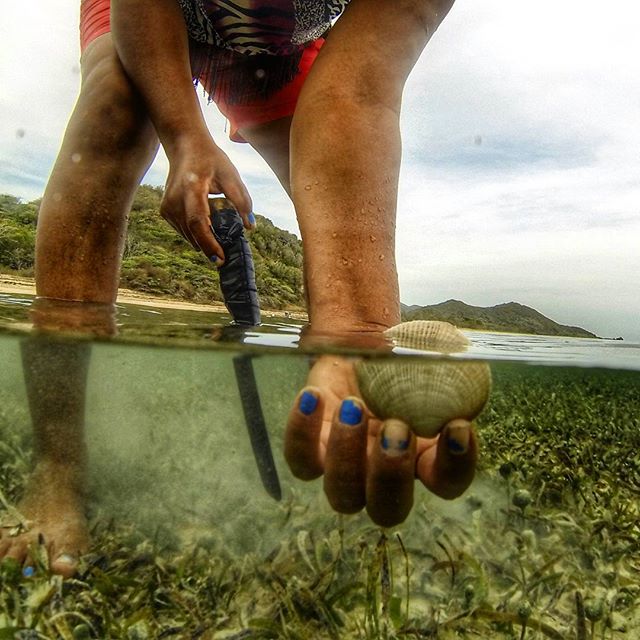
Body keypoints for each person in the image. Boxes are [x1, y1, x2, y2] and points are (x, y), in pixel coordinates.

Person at [0, 0, 477, 577]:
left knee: (325, 179)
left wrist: (355, 345)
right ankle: (57, 467)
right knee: (115, 107)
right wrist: (183, 136)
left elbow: (356, 98)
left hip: (279, 40)